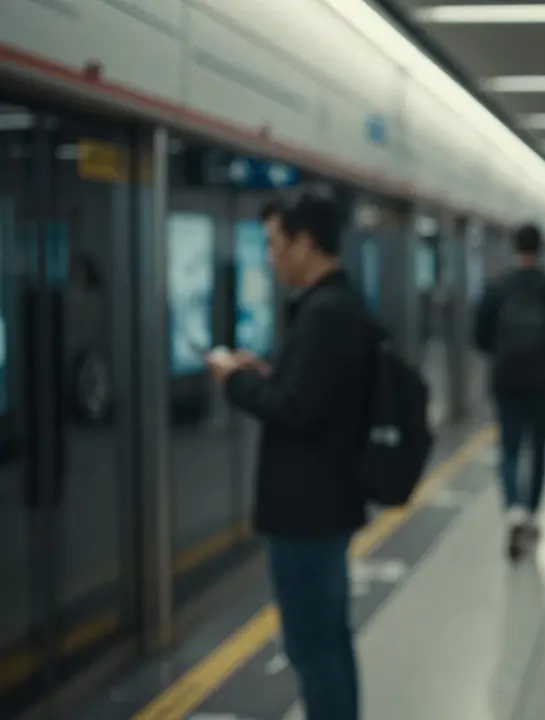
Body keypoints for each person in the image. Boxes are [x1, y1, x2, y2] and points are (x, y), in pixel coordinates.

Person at [207, 187, 375, 720]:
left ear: (304, 243)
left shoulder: (325, 313)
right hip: (325, 500)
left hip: (308, 509)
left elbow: (298, 409)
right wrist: (269, 374)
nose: (270, 255)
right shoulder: (338, 306)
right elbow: (313, 395)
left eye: (274, 243)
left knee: (312, 647)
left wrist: (235, 382)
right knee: (329, 640)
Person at [474, 224, 545, 560]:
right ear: (541, 247)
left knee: (509, 447)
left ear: (513, 246)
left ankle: (513, 511)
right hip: (544, 380)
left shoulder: (496, 287)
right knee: (538, 448)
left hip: (505, 379)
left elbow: (480, 338)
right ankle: (531, 514)